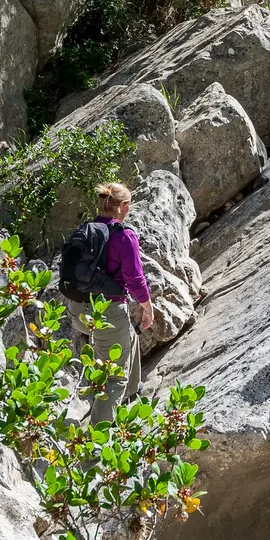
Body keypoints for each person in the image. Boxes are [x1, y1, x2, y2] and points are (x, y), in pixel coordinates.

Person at [58, 181, 155, 425]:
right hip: (106, 313)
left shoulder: (87, 230)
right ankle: (96, 445)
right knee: (113, 378)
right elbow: (135, 279)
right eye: (129, 204)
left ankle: (131, 396)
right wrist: (148, 307)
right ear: (122, 206)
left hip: (78, 309)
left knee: (129, 336)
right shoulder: (124, 236)